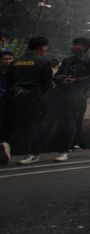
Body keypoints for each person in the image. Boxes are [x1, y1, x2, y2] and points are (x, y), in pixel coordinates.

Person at [5, 37, 54, 165]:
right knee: (34, 127)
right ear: (41, 47)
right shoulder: (43, 62)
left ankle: (10, 149)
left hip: (15, 97)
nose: (46, 50)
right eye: (45, 47)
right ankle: (32, 154)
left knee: (14, 126)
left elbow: (9, 80)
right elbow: (47, 83)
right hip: (34, 99)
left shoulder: (16, 61)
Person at [61, 37, 90, 152]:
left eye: (76, 44)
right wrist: (61, 78)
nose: (73, 47)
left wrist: (76, 80)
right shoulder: (67, 60)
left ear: (84, 47)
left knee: (75, 120)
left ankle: (72, 144)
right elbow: (59, 73)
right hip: (64, 94)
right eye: (74, 44)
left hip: (79, 96)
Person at [0, 50, 12, 164]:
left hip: (8, 106)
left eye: (10, 59)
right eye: (5, 59)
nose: (8, 61)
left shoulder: (13, 74)